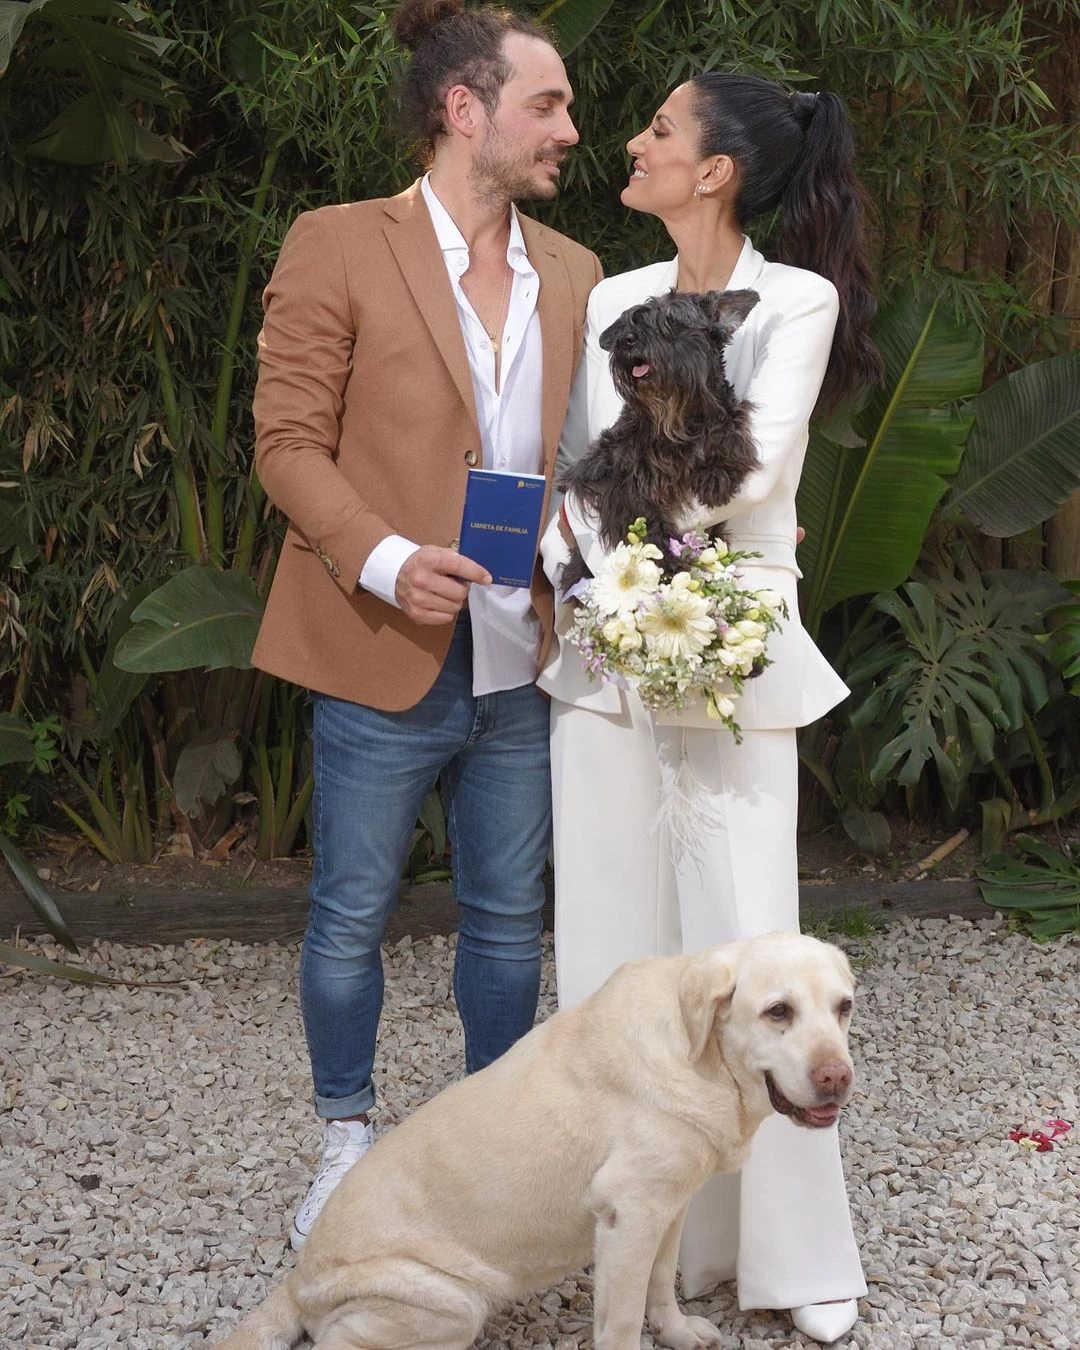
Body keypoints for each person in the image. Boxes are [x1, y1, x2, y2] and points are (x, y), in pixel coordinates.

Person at [250, 0, 600, 1251]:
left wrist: (573, 544)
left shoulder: (577, 272)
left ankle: (490, 1150)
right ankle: (347, 1145)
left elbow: (573, 457)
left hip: (520, 652)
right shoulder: (337, 242)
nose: (571, 128)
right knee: (351, 911)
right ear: (468, 108)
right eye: (547, 104)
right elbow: (285, 445)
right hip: (375, 641)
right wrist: (388, 560)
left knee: (510, 920)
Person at [538, 74, 883, 1344]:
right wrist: (599, 580)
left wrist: (630, 562)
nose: (632, 142)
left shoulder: (797, 299)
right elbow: (589, 460)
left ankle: (793, 1257)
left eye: (661, 131)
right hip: (608, 666)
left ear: (719, 168)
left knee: (755, 942)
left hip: (728, 647)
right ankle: (644, 1263)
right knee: (616, 958)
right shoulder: (618, 297)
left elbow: (756, 466)